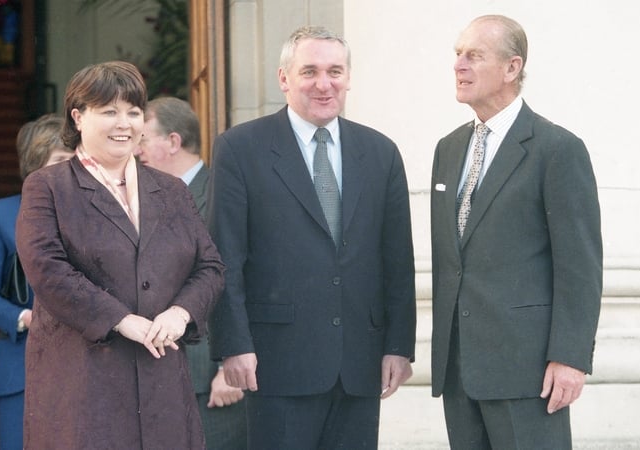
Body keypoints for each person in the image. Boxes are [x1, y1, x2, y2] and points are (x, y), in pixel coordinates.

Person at [208, 25, 417, 449]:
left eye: (335, 71)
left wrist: (399, 345)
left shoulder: (381, 152)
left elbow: (398, 260)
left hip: (360, 362)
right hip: (275, 362)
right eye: (310, 72)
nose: (324, 84)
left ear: (349, 78)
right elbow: (224, 255)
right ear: (284, 79)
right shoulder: (240, 148)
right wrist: (234, 345)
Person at [15, 61, 225, 449]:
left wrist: (181, 313)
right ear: (78, 117)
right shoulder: (48, 187)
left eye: (133, 112)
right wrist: (121, 319)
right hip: (84, 385)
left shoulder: (172, 189)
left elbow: (209, 266)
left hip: (163, 383)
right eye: (109, 111)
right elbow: (46, 270)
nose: (124, 123)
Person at [430, 15, 603, 449]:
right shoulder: (448, 149)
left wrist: (569, 357)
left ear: (512, 68)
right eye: (457, 54)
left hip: (528, 373)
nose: (459, 65)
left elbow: (579, 266)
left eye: (474, 55)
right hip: (459, 369)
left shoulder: (557, 149)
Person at [136, 96, 247, 449]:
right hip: (167, 374)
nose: (136, 149)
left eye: (143, 138)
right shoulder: (151, 197)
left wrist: (230, 365)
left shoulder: (222, 192)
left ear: (172, 141)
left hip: (214, 378)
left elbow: (235, 280)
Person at [0, 114, 74, 450]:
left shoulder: (97, 211)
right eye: (60, 160)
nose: (69, 168)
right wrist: (25, 318)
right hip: (22, 364)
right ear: (35, 162)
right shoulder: (0, 214)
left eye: (74, 160)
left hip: (86, 364)